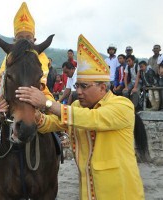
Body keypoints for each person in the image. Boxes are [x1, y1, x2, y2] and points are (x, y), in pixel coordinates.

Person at [15, 34, 145, 200]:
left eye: (84, 86)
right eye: (77, 86)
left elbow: (93, 119)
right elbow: (50, 123)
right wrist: (33, 112)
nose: (79, 92)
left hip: (123, 194)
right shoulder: (77, 107)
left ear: (103, 87)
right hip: (88, 193)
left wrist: (47, 103)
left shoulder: (123, 106)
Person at [0, 2, 54, 100]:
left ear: (34, 40)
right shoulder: (10, 56)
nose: (24, 41)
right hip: (14, 91)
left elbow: (42, 77)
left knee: (52, 109)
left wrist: (39, 85)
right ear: (14, 41)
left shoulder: (41, 56)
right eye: (20, 38)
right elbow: (2, 74)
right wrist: (3, 76)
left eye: (28, 38)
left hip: (38, 91)